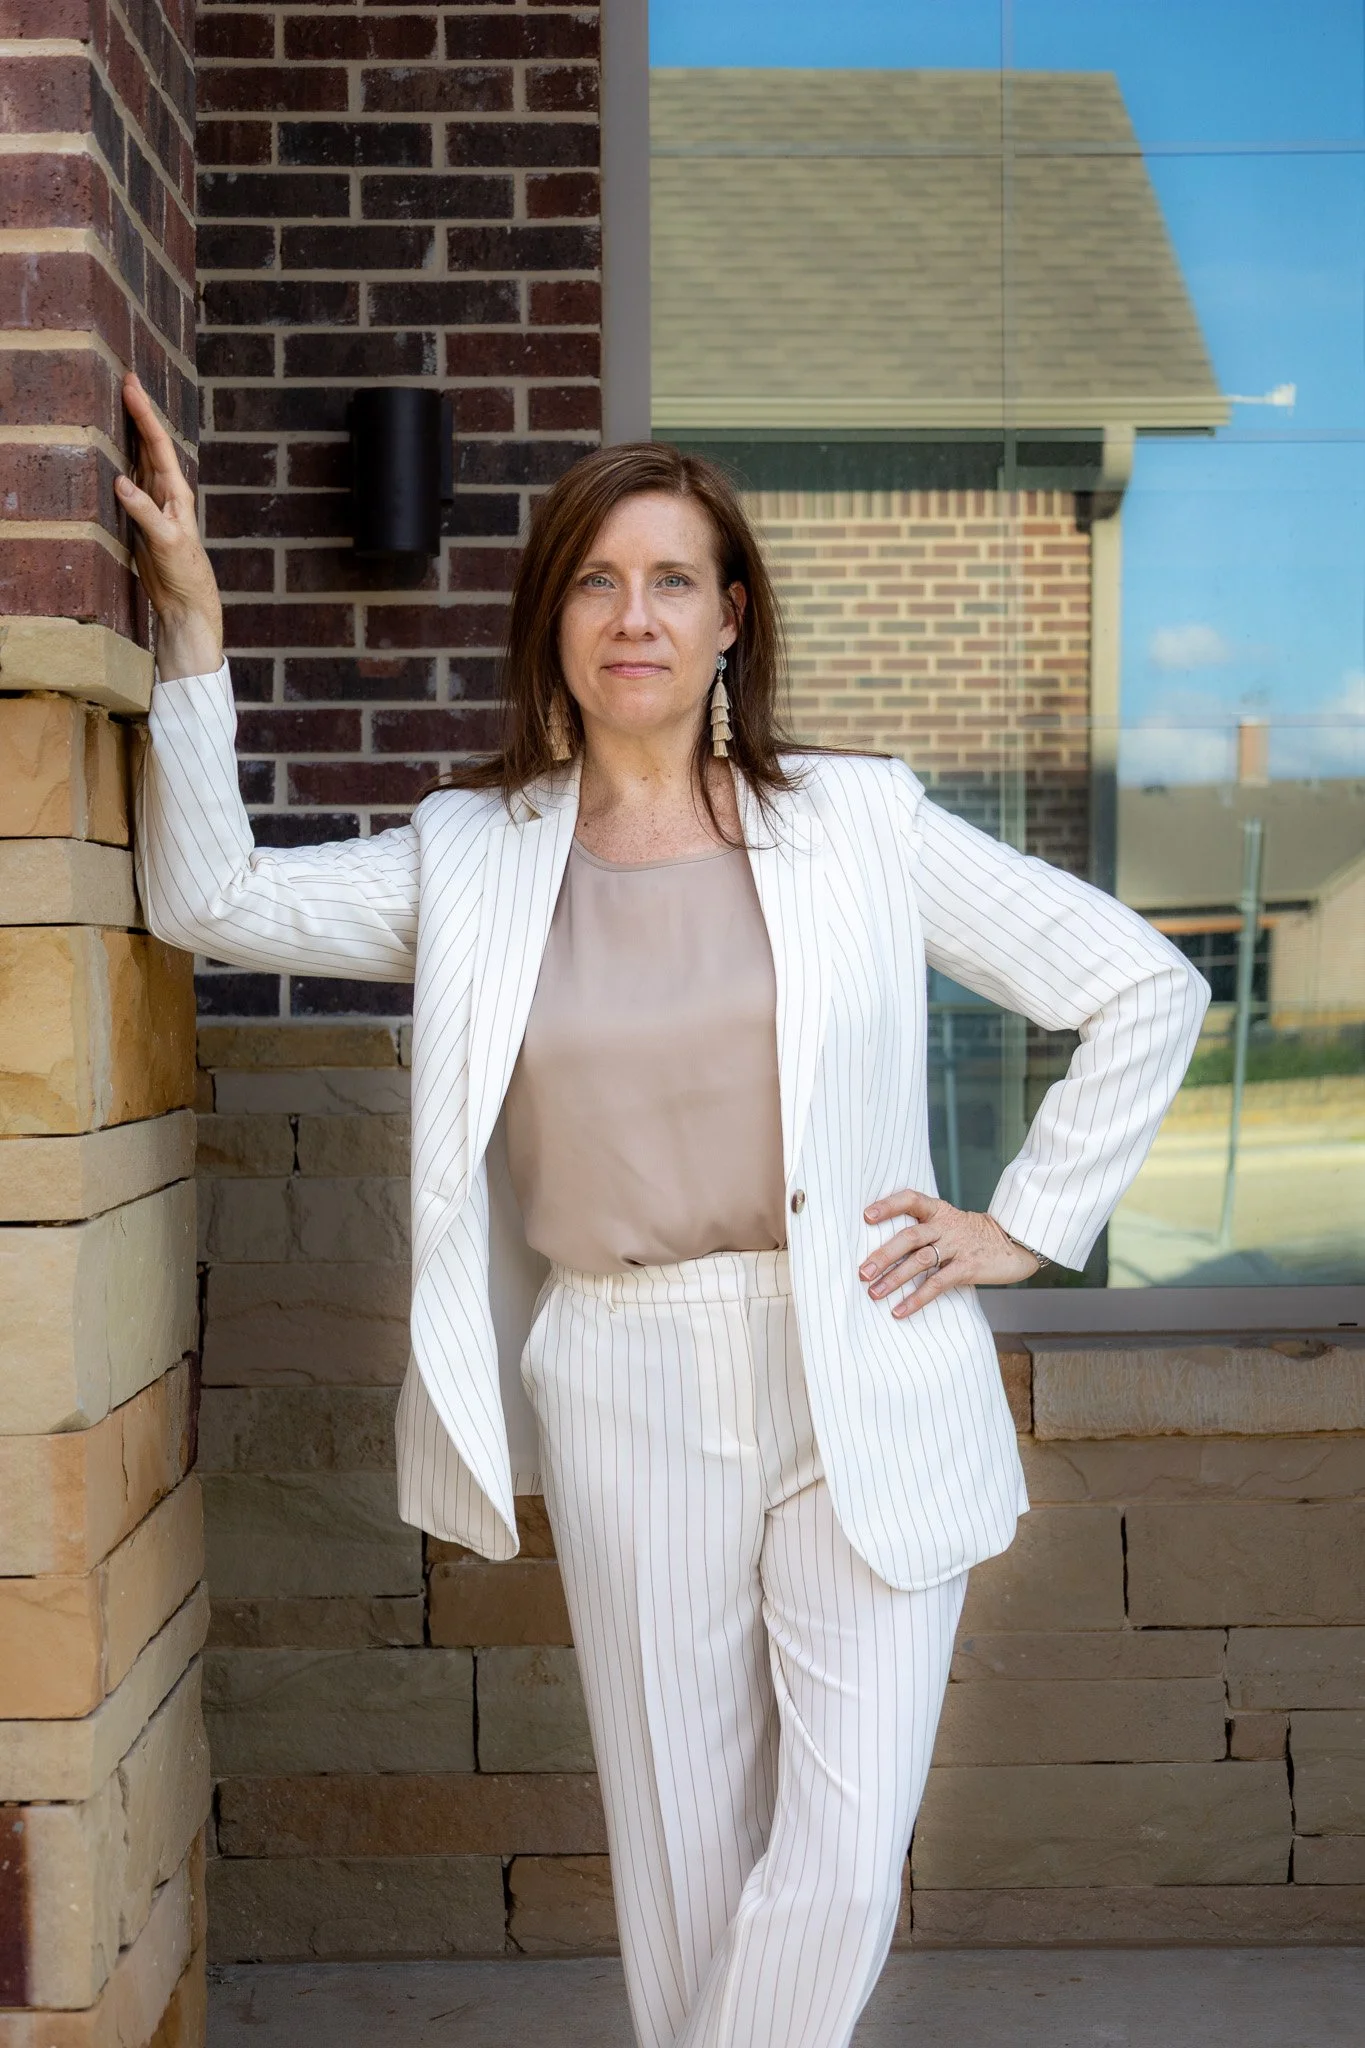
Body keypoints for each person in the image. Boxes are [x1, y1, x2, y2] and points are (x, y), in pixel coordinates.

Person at [119, 369, 1209, 2048]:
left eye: (674, 579)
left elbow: (1140, 985)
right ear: (552, 621)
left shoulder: (859, 822)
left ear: (730, 617)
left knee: (837, 1865)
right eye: (597, 580)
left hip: (864, 1350)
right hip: (623, 1371)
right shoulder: (473, 855)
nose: (636, 615)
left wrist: (1027, 1221)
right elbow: (212, 895)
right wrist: (191, 626)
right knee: (688, 1864)